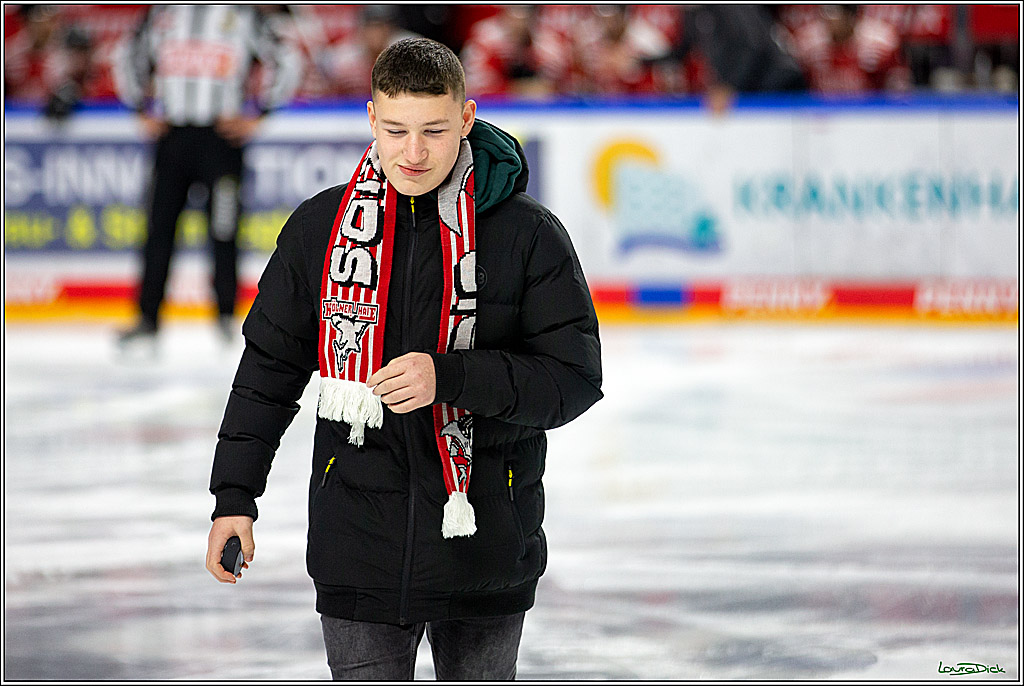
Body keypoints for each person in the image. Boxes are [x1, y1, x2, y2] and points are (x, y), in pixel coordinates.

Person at [204, 37, 602, 680]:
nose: (413, 153)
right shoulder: (320, 228)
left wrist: (451, 376)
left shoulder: (528, 235)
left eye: (434, 131)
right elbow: (265, 375)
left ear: (467, 118)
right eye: (396, 130)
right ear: (371, 119)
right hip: (357, 548)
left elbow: (575, 379)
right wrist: (234, 496)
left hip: (486, 550)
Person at [113, 5, 301, 345]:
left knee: (224, 226)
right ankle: (147, 317)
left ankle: (226, 316)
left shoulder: (244, 15)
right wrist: (139, 108)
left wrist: (260, 113)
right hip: (173, 137)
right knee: (159, 226)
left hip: (221, 139)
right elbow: (126, 54)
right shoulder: (162, 14)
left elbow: (287, 58)